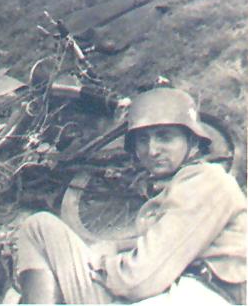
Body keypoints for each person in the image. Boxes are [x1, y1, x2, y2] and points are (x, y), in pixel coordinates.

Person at [16, 87, 246, 304]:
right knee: (38, 227)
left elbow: (139, 280)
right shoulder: (182, 183)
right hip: (169, 292)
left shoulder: (206, 182)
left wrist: (102, 264)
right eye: (143, 140)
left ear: (192, 141)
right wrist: (115, 247)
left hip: (196, 296)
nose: (152, 150)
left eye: (165, 137)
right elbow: (169, 240)